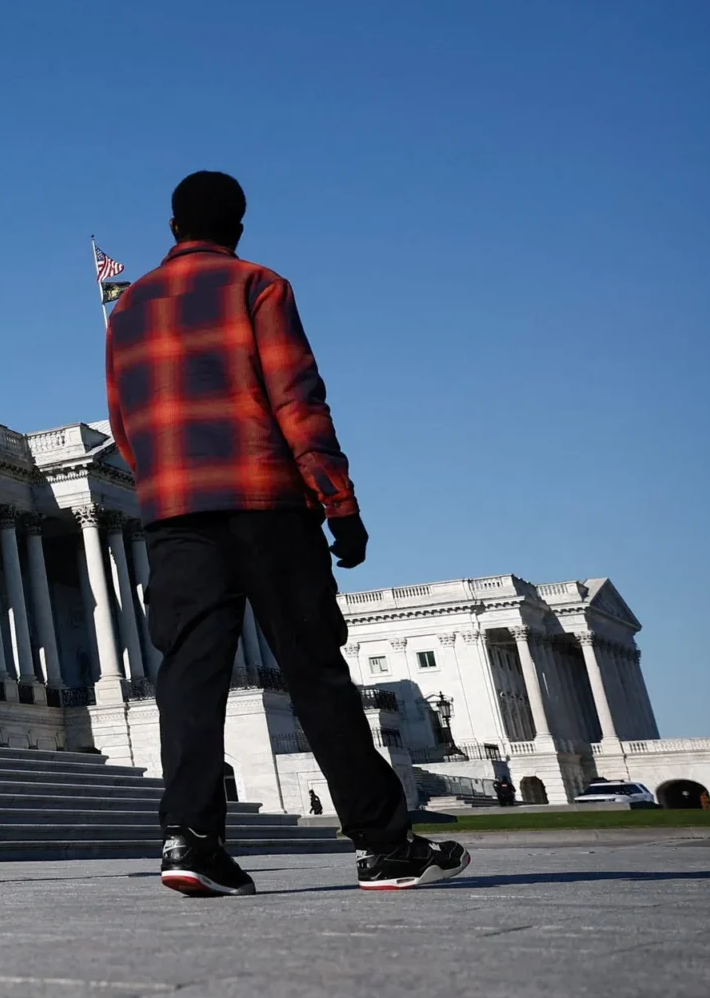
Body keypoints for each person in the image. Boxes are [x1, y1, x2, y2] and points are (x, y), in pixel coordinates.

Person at [107, 170, 469, 896]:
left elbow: (124, 422)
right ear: (237, 226)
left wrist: (164, 488)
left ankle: (190, 838)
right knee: (315, 672)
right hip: (265, 500)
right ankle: (383, 844)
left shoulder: (130, 305)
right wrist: (340, 502)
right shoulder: (258, 285)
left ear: (173, 226)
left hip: (175, 510)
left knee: (189, 678)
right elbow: (297, 397)